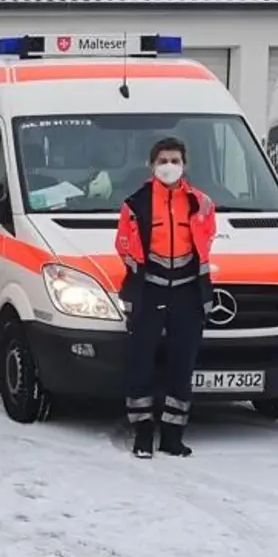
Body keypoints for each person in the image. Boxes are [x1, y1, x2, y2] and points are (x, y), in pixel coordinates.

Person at [115, 137, 217, 459]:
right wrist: (140, 272)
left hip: (188, 291)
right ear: (152, 165)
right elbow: (123, 245)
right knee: (141, 362)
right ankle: (143, 432)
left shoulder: (200, 203)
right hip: (150, 291)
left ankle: (173, 435)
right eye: (163, 160)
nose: (169, 166)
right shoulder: (136, 203)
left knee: (182, 363)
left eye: (175, 160)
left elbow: (207, 239)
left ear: (184, 165)